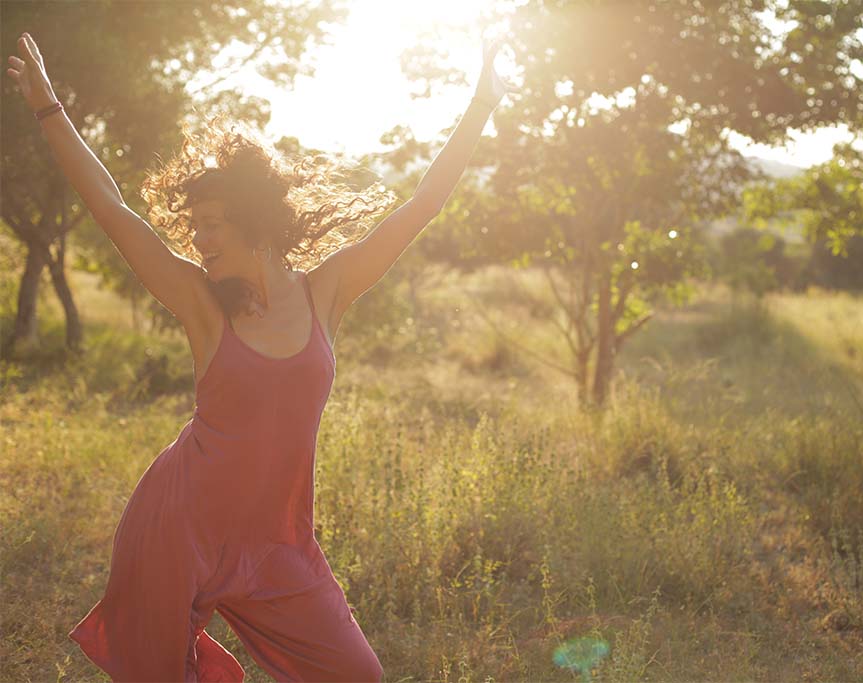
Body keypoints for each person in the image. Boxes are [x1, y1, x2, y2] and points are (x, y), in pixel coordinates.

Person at [6, 30, 515, 682]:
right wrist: (49, 109)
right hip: (177, 528)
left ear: (251, 218)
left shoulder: (326, 291)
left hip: (279, 545)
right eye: (196, 225)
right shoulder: (202, 303)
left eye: (212, 222)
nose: (200, 237)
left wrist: (481, 106)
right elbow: (112, 208)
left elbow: (421, 206)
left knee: (360, 675)